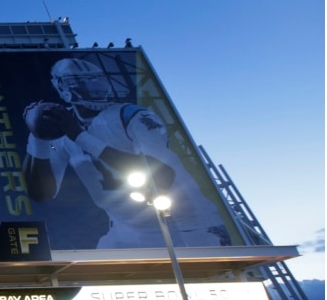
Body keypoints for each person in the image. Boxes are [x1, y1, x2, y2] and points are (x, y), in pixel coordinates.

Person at [21, 57, 231, 249]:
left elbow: (163, 175)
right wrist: (37, 138)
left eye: (95, 80)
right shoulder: (60, 125)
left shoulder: (131, 115)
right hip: (126, 231)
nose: (92, 86)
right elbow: (42, 193)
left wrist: (80, 136)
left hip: (186, 225)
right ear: (62, 87)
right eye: (83, 81)